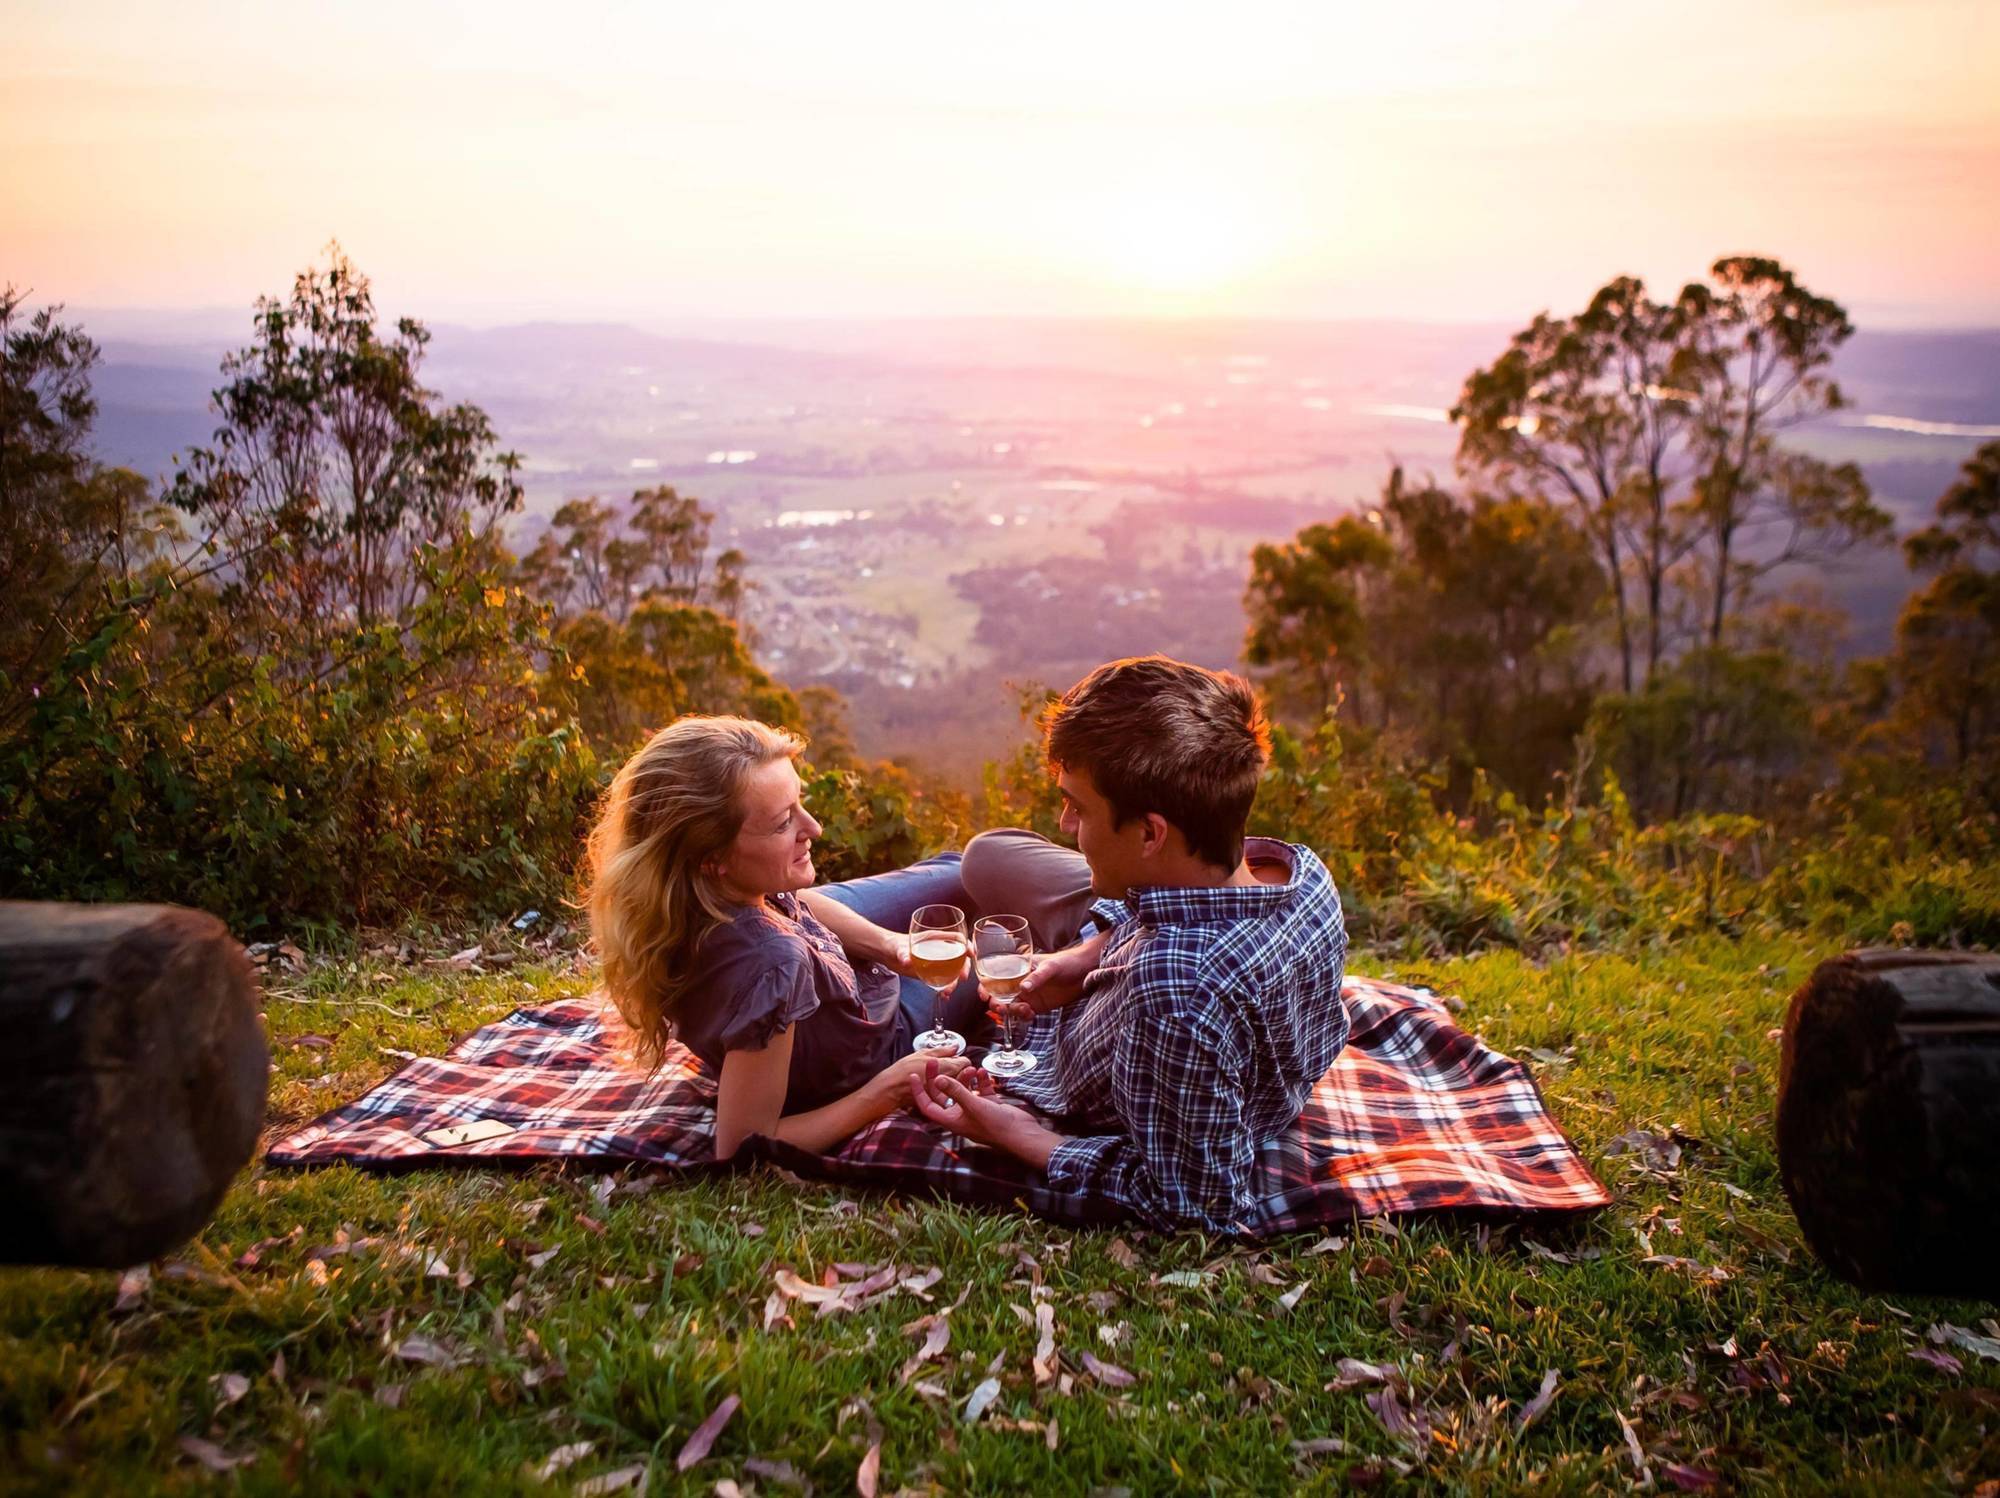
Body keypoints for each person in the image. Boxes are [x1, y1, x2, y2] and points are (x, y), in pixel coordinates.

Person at [909, 655, 1350, 1234]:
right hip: (1131, 921)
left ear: (1149, 832)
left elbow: (1195, 1206)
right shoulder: (1301, 872)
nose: (1065, 824)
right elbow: (1175, 918)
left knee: (912, 962)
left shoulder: (1177, 991)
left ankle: (819, 911)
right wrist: (1079, 958)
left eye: (1079, 806)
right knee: (986, 855)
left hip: (1100, 1037)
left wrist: (1015, 1134)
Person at [584, 715, 990, 1160]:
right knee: (988, 930)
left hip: (832, 962)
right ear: (711, 856)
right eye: (783, 824)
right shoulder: (773, 964)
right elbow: (742, 1145)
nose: (814, 828)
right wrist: (888, 1089)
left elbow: (799, 904)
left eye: (800, 803)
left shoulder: (692, 896)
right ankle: (1076, 936)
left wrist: (889, 945)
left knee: (962, 868)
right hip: (879, 1037)